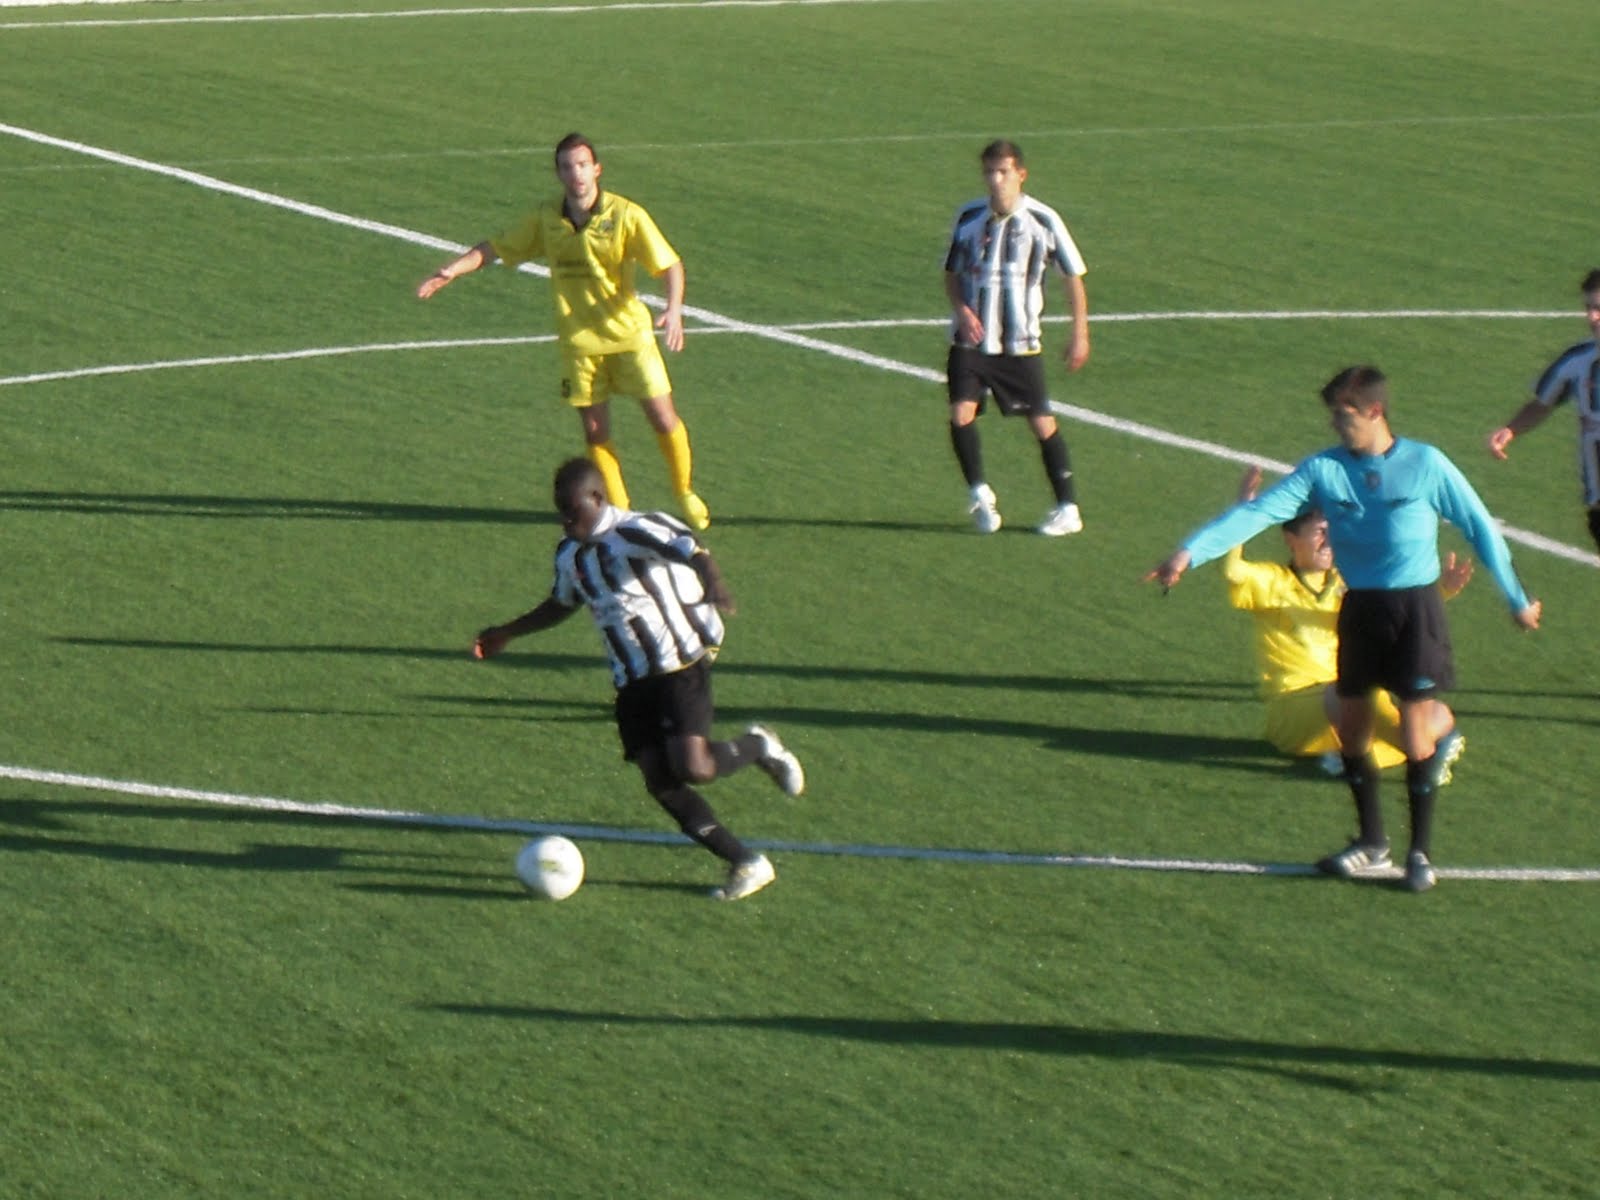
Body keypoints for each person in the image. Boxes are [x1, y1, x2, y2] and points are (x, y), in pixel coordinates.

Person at [1148, 366, 1541, 893]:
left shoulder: (1426, 464)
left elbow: (1480, 528)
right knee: (1351, 729)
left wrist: (1517, 599)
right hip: (1360, 610)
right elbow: (1259, 514)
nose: (1335, 424)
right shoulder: (1324, 470)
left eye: (1344, 414)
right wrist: (1189, 553)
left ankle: (1419, 853)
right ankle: (1372, 843)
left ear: (1375, 411)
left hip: (1415, 611)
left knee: (1415, 734)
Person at [472, 457, 804, 901]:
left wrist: (714, 582)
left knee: (694, 766)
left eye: (572, 510)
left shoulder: (635, 531)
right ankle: (745, 861)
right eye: (561, 512)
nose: (566, 521)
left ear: (597, 499)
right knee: (659, 781)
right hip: (630, 681)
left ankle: (758, 745)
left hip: (679, 665)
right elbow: (561, 603)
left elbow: (691, 547)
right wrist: (507, 632)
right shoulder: (569, 555)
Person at [418, 132, 709, 531]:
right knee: (595, 431)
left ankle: (684, 492)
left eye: (583, 165)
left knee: (662, 416)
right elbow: (496, 247)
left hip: (630, 336)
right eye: (568, 167)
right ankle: (621, 515)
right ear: (558, 174)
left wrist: (673, 309)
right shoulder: (546, 219)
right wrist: (452, 269)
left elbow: (670, 265)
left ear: (597, 169)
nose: (577, 174)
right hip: (579, 344)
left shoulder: (626, 215)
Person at [1222, 465, 1472, 778]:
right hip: (1294, 711)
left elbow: (1396, 610)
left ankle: (1356, 754)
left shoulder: (1349, 581)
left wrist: (1441, 591)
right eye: (1320, 532)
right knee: (1356, 695)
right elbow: (1232, 571)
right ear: (1291, 538)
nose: (1330, 541)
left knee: (1434, 711)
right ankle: (1422, 756)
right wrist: (1242, 515)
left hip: (1350, 704)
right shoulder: (1271, 582)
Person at [943, 139, 1091, 537]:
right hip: (971, 341)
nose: (996, 180)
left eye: (1003, 172)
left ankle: (1067, 507)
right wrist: (962, 311)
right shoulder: (969, 217)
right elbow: (951, 273)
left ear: (1020, 175)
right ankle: (980, 494)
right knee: (961, 415)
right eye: (989, 172)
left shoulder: (1043, 220)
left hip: (1019, 345)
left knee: (1041, 422)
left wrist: (1079, 333)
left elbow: (1072, 278)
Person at [1485, 268, 1600, 552]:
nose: (1592, 317)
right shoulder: (1577, 360)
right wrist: (1510, 429)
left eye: (1598, 308)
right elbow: (1542, 404)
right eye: (1588, 308)